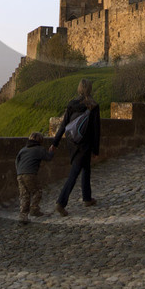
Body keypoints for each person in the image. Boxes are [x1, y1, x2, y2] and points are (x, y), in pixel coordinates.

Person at [52, 78, 101, 214]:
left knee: (86, 168)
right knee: (74, 173)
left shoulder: (72, 104)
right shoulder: (93, 105)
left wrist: (55, 143)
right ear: (90, 89)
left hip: (72, 142)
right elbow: (96, 130)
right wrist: (96, 150)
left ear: (79, 88)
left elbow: (63, 125)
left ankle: (87, 198)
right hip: (85, 144)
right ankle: (61, 203)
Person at [15, 131, 56, 224]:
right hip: (30, 173)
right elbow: (48, 157)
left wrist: (19, 171)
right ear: (40, 141)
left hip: (20, 174)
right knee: (37, 191)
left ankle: (23, 216)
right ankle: (34, 209)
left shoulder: (23, 149)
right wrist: (51, 151)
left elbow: (16, 161)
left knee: (24, 195)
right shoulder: (39, 149)